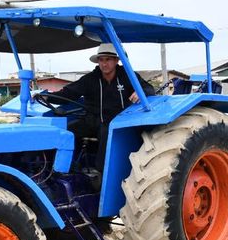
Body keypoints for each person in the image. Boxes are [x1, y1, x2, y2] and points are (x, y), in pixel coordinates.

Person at [49, 43, 154, 171]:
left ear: (116, 61)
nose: (104, 64)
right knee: (64, 130)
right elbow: (69, 93)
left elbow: (149, 88)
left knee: (106, 132)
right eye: (101, 60)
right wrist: (47, 97)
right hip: (92, 120)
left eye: (108, 59)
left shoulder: (127, 76)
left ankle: (101, 172)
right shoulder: (90, 79)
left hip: (118, 122)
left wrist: (140, 92)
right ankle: (60, 168)